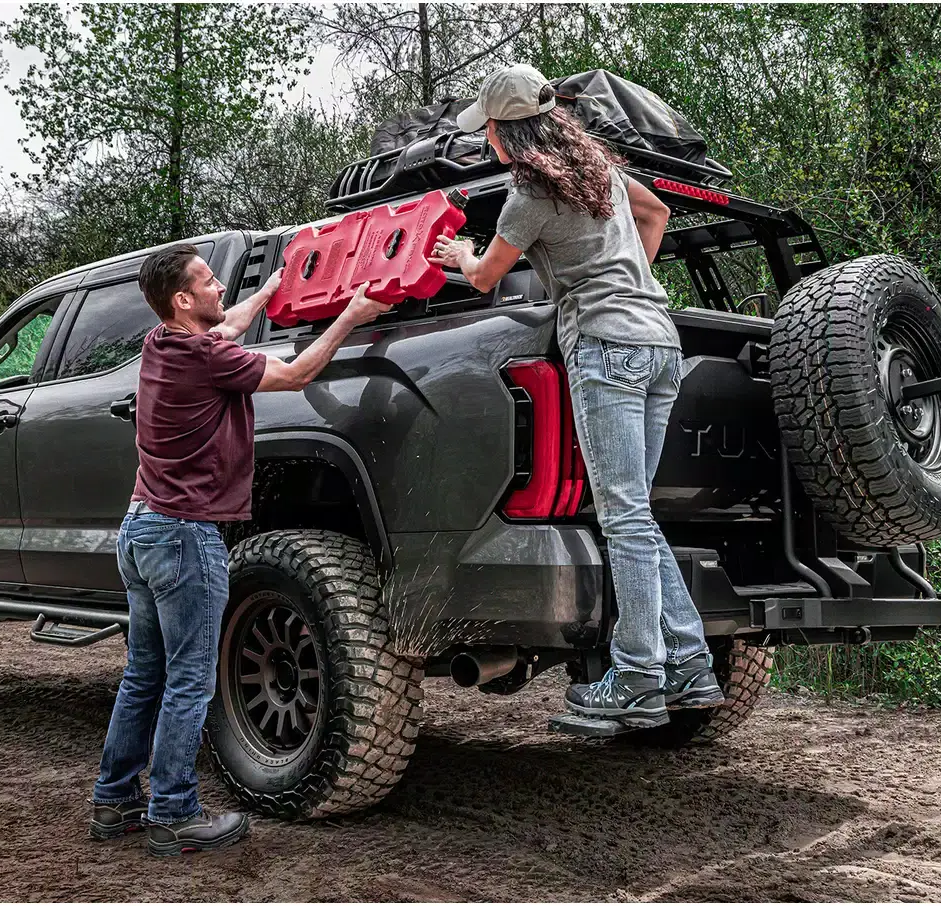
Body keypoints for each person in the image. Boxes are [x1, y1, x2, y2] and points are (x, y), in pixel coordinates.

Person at [430, 64, 724, 728]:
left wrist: (461, 252)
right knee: (636, 515)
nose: (487, 141)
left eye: (490, 131)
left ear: (506, 131)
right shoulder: (598, 171)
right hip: (659, 342)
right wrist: (628, 276)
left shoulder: (529, 194)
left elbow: (486, 278)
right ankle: (690, 667)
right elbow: (657, 212)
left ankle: (639, 678)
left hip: (606, 345)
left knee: (623, 518)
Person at [89, 244, 391, 856]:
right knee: (190, 679)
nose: (220, 287)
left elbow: (225, 325)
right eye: (208, 281)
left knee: (145, 673)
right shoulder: (206, 357)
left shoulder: (161, 344)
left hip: (141, 528)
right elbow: (296, 375)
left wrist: (269, 292)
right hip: (183, 536)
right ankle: (173, 813)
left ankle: (114, 801)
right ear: (182, 300)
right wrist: (351, 317)